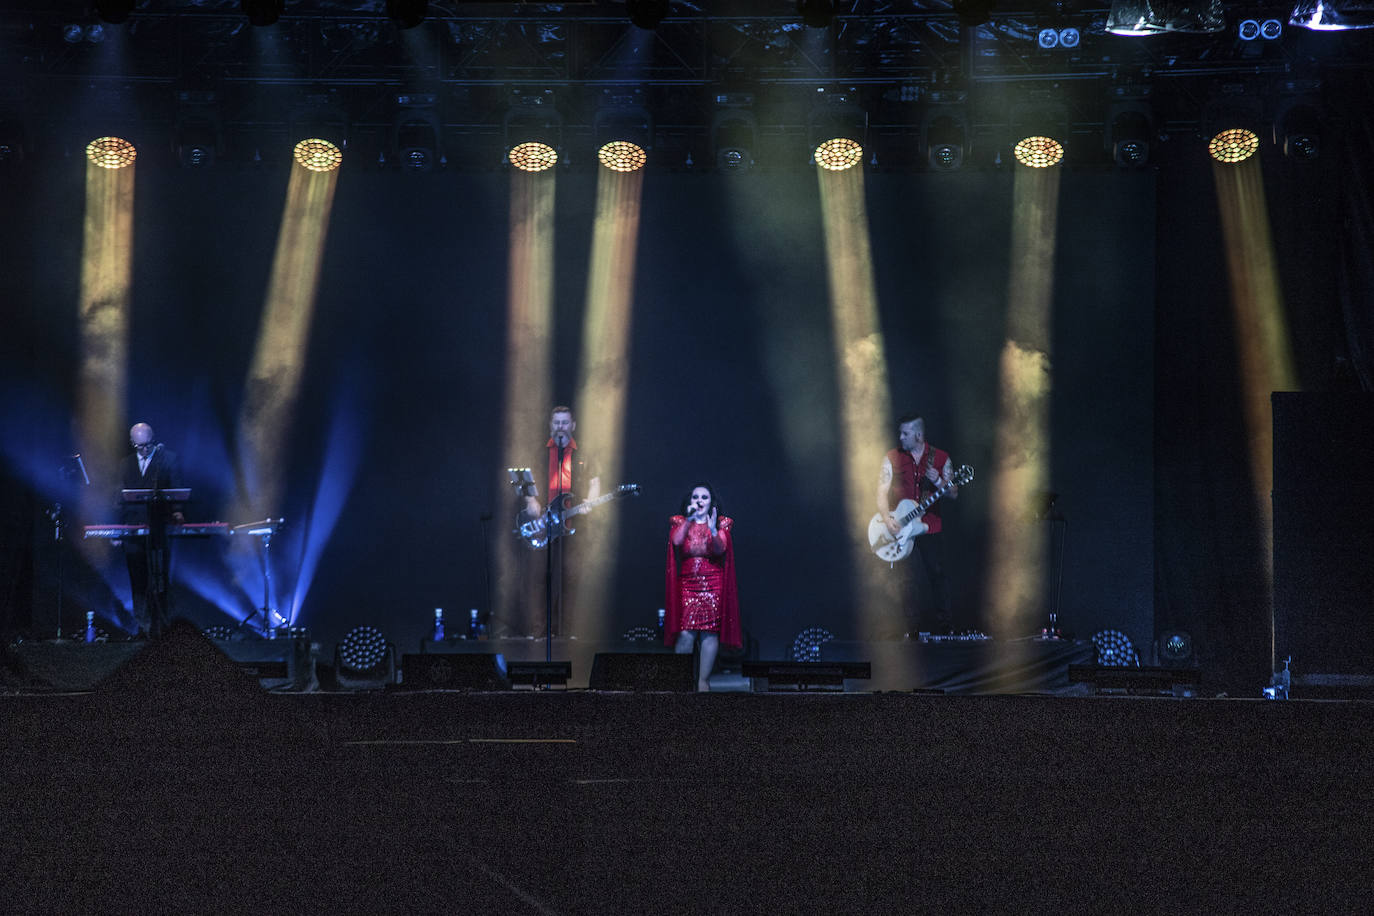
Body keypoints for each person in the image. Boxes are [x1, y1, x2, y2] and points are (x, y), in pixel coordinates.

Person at [520, 406, 601, 637]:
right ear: (550, 425)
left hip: (571, 526)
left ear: (573, 425)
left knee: (571, 578)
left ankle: (567, 630)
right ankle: (539, 630)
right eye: (556, 423)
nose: (560, 427)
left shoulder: (583, 453)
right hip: (543, 524)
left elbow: (595, 481)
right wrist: (531, 501)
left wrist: (591, 501)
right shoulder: (539, 451)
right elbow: (525, 477)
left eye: (565, 422)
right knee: (538, 579)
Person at [877, 414, 958, 636]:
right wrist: (887, 519)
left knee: (937, 574)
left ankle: (946, 627)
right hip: (900, 526)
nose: (900, 437)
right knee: (904, 580)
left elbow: (953, 493)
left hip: (929, 526)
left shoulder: (941, 458)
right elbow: (881, 492)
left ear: (919, 435)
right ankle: (909, 629)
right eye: (900, 432)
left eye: (905, 433)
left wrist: (939, 481)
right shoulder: (892, 457)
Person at [664, 483, 741, 691]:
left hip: (712, 585)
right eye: (695, 497)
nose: (699, 500)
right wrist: (690, 520)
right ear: (690, 502)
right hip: (688, 584)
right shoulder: (680, 522)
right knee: (686, 633)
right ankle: (682, 681)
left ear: (711, 502)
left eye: (704, 497)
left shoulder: (722, 524)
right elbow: (677, 542)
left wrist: (713, 528)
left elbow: (720, 549)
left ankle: (703, 681)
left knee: (709, 633)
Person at [118, 422, 183, 638]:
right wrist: (117, 529)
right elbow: (117, 498)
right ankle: (143, 628)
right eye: (140, 446)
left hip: (159, 528)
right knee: (138, 580)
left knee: (160, 578)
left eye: (148, 445)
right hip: (132, 530)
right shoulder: (125, 465)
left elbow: (176, 488)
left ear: (154, 440)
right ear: (132, 443)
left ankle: (163, 627)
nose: (145, 450)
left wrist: (177, 511)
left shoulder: (168, 458)